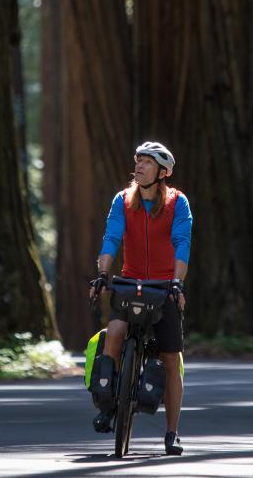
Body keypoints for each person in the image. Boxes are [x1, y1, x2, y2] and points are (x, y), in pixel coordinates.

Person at [89, 141, 192, 456]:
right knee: (115, 334)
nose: (139, 166)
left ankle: (172, 433)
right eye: (138, 161)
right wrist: (102, 273)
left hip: (163, 286)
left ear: (162, 172)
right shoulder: (123, 200)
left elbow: (182, 242)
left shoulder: (178, 203)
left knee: (171, 358)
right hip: (129, 282)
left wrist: (177, 282)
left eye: (147, 162)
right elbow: (111, 237)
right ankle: (108, 404)